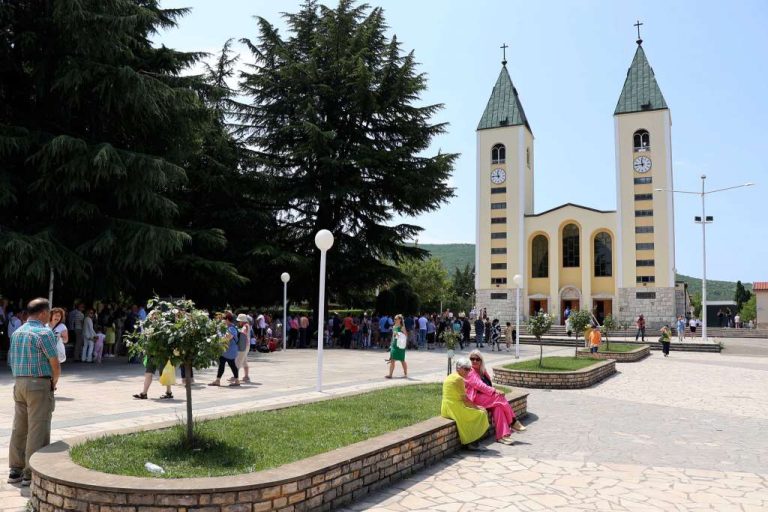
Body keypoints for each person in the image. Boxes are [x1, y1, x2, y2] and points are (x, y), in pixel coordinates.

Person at [8, 298, 61, 486]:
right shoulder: (44, 333)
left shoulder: (17, 332)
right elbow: (54, 364)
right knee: (38, 428)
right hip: (38, 384)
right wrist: (53, 383)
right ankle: (31, 473)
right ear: (43, 313)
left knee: (19, 427)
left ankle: (15, 469)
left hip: (19, 383)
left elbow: (11, 361)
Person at [466, 350, 525, 444]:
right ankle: (513, 422)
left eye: (477, 359)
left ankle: (502, 436)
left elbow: (488, 384)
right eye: (472, 359)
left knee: (498, 408)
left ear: (481, 361)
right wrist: (494, 390)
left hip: (485, 397)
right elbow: (479, 385)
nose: (474, 361)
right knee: (499, 397)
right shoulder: (470, 372)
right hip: (476, 398)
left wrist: (493, 389)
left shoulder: (482, 371)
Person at [440, 357, 489, 451]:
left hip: (446, 407)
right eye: (466, 369)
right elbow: (465, 400)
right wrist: (477, 407)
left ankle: (472, 442)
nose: (468, 371)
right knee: (481, 414)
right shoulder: (459, 379)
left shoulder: (451, 375)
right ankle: (472, 442)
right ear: (458, 368)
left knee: (475, 413)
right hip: (454, 408)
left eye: (469, 369)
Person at [208, 313, 240, 387]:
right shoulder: (225, 327)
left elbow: (228, 338)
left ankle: (237, 380)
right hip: (225, 351)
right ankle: (218, 380)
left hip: (230, 351)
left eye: (224, 319)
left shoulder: (232, 328)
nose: (223, 320)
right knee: (222, 365)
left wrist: (223, 332)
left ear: (228, 320)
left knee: (232, 365)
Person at [385, 314, 408, 379]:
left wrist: (398, 334)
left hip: (400, 345)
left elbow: (406, 335)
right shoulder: (394, 326)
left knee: (402, 360)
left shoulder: (402, 327)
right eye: (394, 319)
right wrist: (391, 345)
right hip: (394, 345)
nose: (394, 320)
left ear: (400, 320)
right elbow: (393, 336)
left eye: (396, 319)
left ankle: (405, 373)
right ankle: (390, 375)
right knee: (392, 360)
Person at [234, 314, 251, 383]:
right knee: (244, 361)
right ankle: (246, 376)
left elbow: (242, 333)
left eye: (239, 321)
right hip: (247, 345)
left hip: (243, 345)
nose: (238, 322)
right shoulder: (247, 325)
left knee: (238, 361)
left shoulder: (245, 326)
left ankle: (235, 377)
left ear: (242, 321)